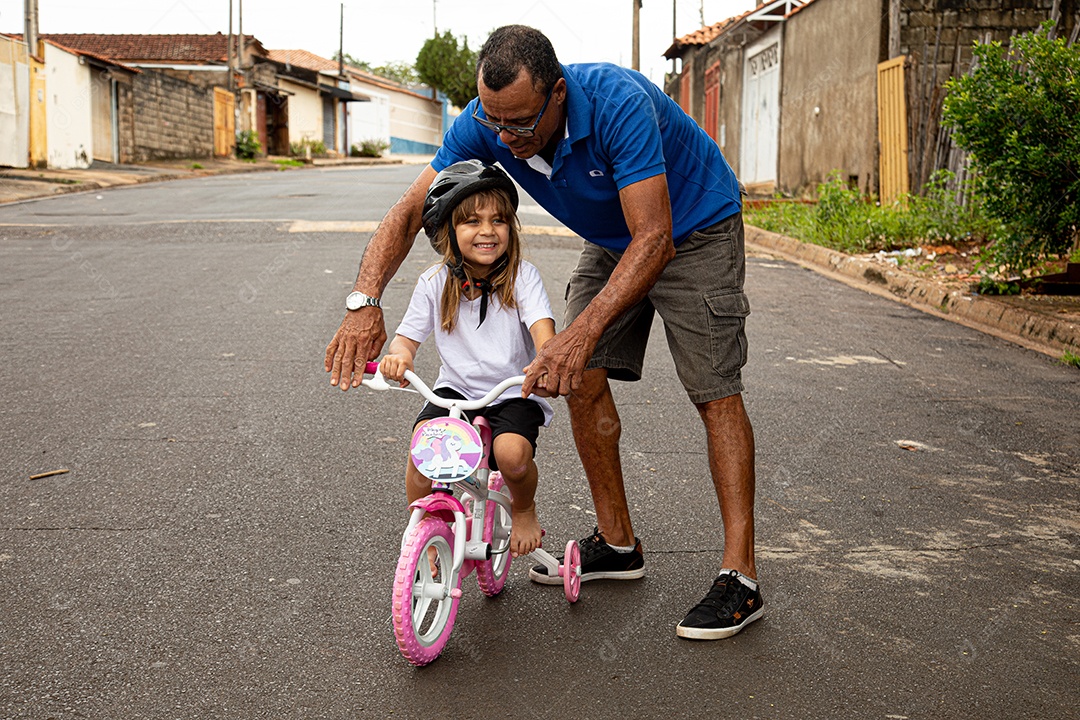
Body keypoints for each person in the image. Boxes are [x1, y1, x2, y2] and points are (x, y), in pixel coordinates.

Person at [325, 25, 761, 640]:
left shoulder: (618, 102)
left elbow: (655, 238)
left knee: (714, 391)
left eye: (520, 125)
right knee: (578, 379)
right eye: (494, 122)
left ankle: (739, 577)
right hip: (617, 240)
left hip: (693, 230)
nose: (504, 138)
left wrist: (577, 335)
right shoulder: (489, 119)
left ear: (557, 93)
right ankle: (618, 544)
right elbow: (409, 210)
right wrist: (363, 301)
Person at [376, 160, 556, 559]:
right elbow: (407, 338)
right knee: (422, 455)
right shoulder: (434, 282)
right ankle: (425, 531)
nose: (488, 231)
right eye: (472, 222)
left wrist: (546, 361)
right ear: (448, 233)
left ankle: (523, 508)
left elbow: (543, 330)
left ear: (511, 227)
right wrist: (398, 358)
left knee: (511, 457)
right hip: (454, 389)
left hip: (511, 390)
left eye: (498, 221)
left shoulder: (523, 278)